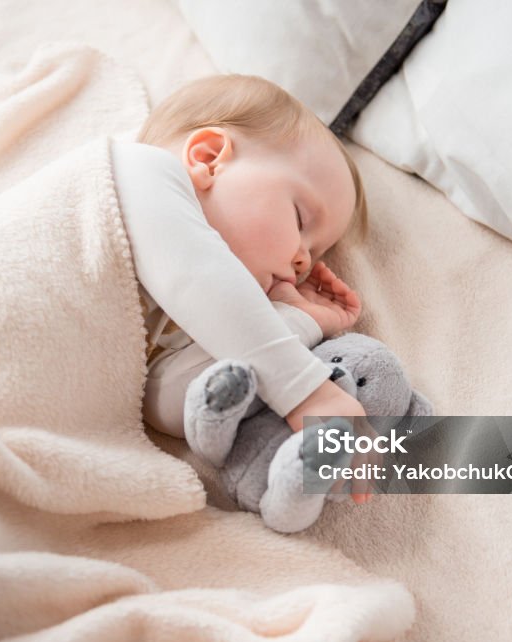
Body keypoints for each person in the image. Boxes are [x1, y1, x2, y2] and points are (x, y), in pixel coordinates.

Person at [112, 75, 373, 502]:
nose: (305, 261)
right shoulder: (136, 171)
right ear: (210, 158)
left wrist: (299, 319)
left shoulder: (181, 322)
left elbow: (174, 402)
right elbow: (198, 274)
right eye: (301, 220)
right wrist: (310, 392)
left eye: (315, 250)